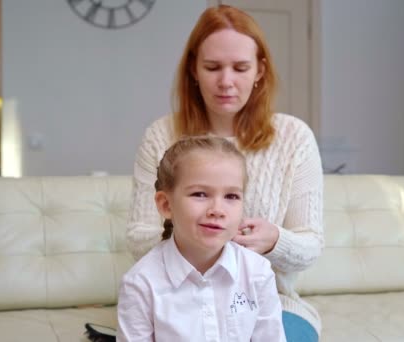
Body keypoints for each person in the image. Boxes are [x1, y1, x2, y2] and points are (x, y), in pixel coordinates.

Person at [127, 5, 324, 341]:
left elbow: (311, 245)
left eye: (241, 68)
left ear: (260, 70)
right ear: (193, 68)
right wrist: (193, 233)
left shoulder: (295, 138)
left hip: (271, 304)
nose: (226, 81)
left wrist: (274, 239)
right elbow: (137, 237)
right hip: (176, 301)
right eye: (212, 67)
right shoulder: (160, 136)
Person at [117, 136, 286, 341]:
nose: (217, 210)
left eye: (231, 196)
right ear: (166, 205)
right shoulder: (141, 283)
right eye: (200, 194)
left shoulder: (258, 272)